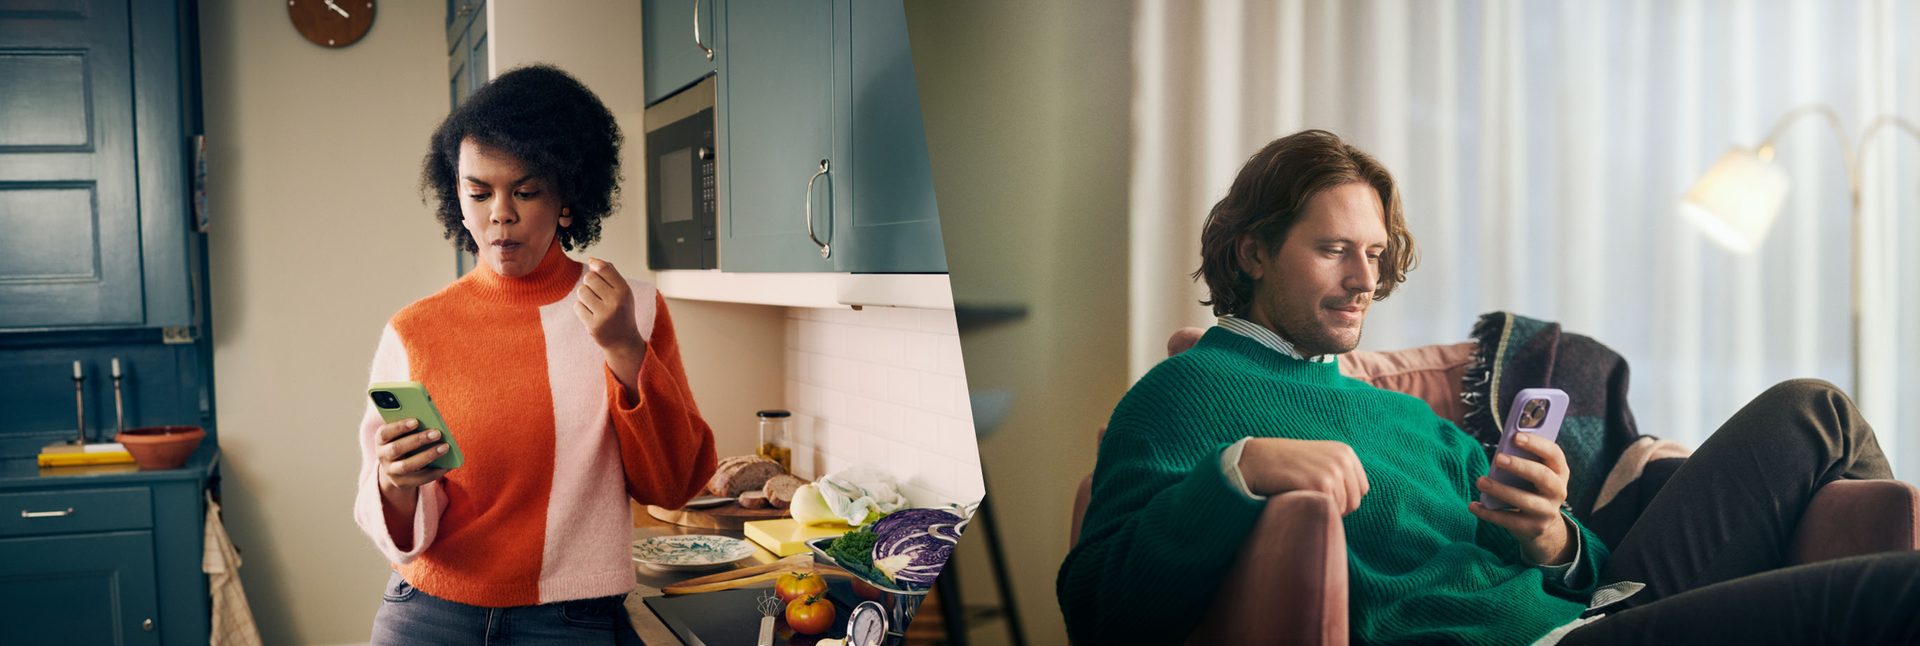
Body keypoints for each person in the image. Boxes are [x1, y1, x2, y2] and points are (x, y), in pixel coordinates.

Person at [1056, 129, 1920, 644]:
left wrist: (1550, 534)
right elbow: (1100, 611)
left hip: (1592, 608)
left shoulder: (1394, 413)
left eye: (1374, 253)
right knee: (1895, 594)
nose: (1365, 279)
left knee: (1812, 411)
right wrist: (1238, 469)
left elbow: (1586, 565)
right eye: (1332, 250)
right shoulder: (1184, 396)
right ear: (1251, 253)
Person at [353, 65, 717, 645]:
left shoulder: (632, 311)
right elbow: (398, 521)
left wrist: (624, 348)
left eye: (525, 191)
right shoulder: (415, 330)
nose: (501, 213)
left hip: (569, 622)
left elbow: (673, 487)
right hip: (428, 614)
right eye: (479, 192)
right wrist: (394, 484)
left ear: (567, 196)